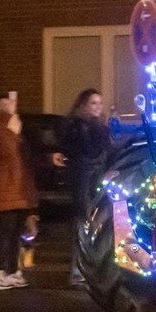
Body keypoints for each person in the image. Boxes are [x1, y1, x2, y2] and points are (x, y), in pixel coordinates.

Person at [0, 95, 36, 289]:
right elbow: (7, 152)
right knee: (4, 234)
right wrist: (10, 129)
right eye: (2, 107)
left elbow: (23, 158)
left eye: (9, 105)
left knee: (15, 234)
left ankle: (12, 271)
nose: (8, 110)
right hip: (2, 190)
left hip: (17, 190)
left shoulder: (14, 131)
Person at [58, 88, 111, 287]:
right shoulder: (78, 127)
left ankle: (90, 269)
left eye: (100, 103)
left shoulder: (99, 126)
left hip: (97, 180)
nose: (98, 107)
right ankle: (77, 270)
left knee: (98, 225)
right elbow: (88, 152)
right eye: (93, 103)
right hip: (84, 180)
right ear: (83, 105)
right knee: (83, 224)